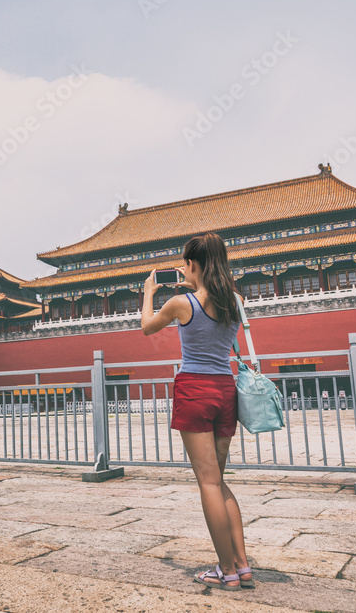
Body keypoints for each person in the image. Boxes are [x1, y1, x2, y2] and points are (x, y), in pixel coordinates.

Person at [140, 232, 254, 591]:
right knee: (218, 481)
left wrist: (148, 293)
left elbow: (147, 328)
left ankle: (226, 570)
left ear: (193, 264)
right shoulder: (235, 299)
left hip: (194, 389)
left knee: (207, 483)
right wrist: (193, 278)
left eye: (187, 263)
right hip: (225, 391)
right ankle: (243, 565)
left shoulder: (180, 303)